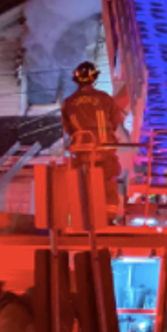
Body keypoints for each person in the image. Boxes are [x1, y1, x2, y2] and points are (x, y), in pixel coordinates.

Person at [61, 61, 127, 223]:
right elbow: (115, 122)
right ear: (94, 78)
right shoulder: (104, 98)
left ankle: (83, 218)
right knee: (107, 185)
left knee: (82, 186)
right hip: (104, 151)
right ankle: (108, 220)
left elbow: (68, 128)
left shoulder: (68, 103)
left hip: (81, 153)